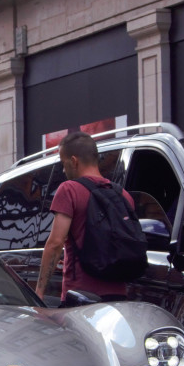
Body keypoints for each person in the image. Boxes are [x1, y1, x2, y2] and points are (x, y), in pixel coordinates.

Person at [35, 130, 135, 307]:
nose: (63, 170)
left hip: (80, 297)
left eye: (63, 163)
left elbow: (56, 243)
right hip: (118, 298)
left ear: (73, 161)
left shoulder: (69, 190)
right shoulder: (124, 196)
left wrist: (39, 292)